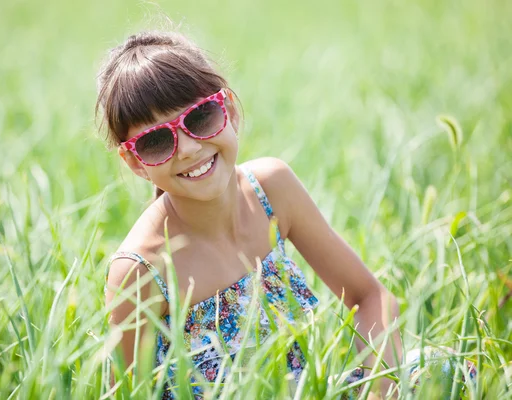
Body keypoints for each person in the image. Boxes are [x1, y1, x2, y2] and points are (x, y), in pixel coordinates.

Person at [96, 31, 472, 399]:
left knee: (442, 368)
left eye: (201, 117)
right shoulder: (141, 269)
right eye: (157, 141)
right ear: (134, 162)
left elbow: (370, 295)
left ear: (228, 109)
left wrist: (379, 390)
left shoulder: (270, 191)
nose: (190, 148)